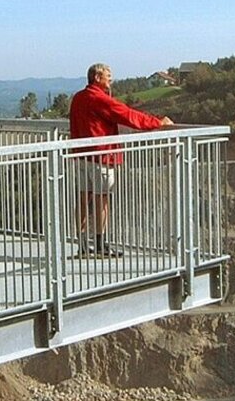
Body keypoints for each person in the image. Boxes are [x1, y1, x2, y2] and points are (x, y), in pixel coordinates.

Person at [69, 63, 173, 257]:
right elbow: (127, 115)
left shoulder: (78, 98)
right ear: (97, 77)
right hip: (101, 156)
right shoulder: (99, 99)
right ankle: (100, 245)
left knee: (83, 198)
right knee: (102, 199)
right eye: (108, 76)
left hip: (81, 155)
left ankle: (82, 245)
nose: (111, 79)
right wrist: (158, 122)